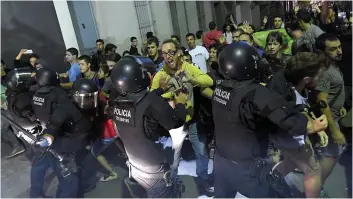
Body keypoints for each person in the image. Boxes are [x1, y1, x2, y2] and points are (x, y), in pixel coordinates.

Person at [212, 42, 328, 198]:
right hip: (246, 169)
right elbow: (285, 118)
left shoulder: (219, 89)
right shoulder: (256, 92)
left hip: (220, 162)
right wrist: (312, 125)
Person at [108, 56, 189, 197]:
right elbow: (175, 122)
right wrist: (181, 103)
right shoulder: (153, 102)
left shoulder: (115, 102)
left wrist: (159, 90)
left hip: (134, 166)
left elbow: (139, 101)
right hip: (154, 173)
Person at [151, 39, 214, 194]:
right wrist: (170, 94)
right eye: (164, 53)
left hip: (192, 120)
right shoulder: (160, 76)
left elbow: (209, 80)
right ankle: (172, 184)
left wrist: (192, 79)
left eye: (171, 52)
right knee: (174, 158)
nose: (167, 56)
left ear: (179, 52)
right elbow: (151, 100)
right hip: (174, 124)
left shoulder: (188, 68)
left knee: (201, 151)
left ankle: (203, 181)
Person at [267, 52, 328, 198]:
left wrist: (314, 124)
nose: (321, 78)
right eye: (319, 76)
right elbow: (287, 120)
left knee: (292, 160)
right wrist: (313, 127)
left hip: (286, 132)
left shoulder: (293, 78)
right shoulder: (281, 94)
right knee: (313, 170)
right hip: (285, 133)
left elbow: (301, 108)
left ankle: (271, 179)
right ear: (306, 79)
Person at [30, 68, 91, 198]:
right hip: (62, 138)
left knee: (39, 167)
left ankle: (35, 195)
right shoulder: (59, 95)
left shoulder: (36, 93)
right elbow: (60, 117)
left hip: (48, 133)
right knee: (69, 181)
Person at [314, 33, 347, 197]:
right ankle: (314, 190)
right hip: (329, 121)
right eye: (333, 49)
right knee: (331, 156)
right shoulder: (324, 71)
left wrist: (339, 104)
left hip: (334, 116)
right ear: (321, 51)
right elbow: (322, 102)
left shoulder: (332, 64)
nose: (339, 51)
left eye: (339, 46)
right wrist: (334, 130)